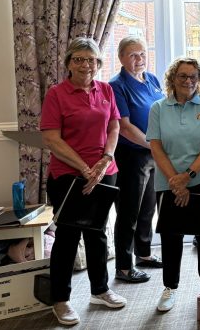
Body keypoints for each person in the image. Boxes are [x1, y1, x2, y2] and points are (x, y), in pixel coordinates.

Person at [41, 37, 126, 325]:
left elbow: (114, 126)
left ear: (98, 63)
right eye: (78, 59)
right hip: (68, 175)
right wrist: (84, 168)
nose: (86, 64)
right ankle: (61, 300)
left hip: (104, 172)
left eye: (91, 59)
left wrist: (105, 160)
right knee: (67, 237)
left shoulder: (105, 90)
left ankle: (99, 290)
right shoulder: (57, 94)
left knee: (98, 233)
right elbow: (51, 138)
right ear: (68, 63)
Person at [146, 57, 200, 311]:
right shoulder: (158, 108)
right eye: (182, 76)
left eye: (193, 76)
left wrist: (187, 177)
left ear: (199, 79)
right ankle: (170, 288)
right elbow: (155, 146)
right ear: (172, 79)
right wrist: (175, 181)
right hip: (168, 182)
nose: (188, 81)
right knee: (171, 235)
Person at [109, 36, 164, 284]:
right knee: (128, 211)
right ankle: (123, 266)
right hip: (131, 154)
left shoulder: (151, 79)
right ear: (121, 58)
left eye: (142, 54)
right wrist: (153, 145)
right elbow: (125, 126)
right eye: (133, 55)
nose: (139, 59)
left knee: (148, 208)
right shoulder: (116, 85)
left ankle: (144, 254)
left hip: (153, 154)